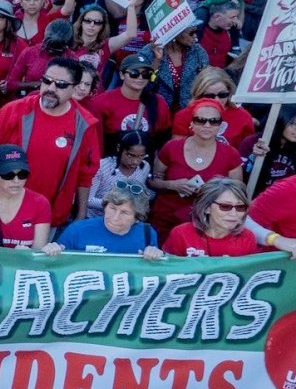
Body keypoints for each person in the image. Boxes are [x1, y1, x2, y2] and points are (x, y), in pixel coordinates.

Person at [0, 57, 101, 227]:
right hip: (0, 212)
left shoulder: (84, 124)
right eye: (47, 81)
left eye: (60, 84)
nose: (50, 88)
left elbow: (85, 175)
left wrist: (80, 216)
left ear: (75, 89)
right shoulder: (13, 111)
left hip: (48, 219)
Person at [148, 98, 245, 241]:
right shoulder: (172, 147)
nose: (207, 125)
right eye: (200, 120)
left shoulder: (231, 154)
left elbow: (237, 194)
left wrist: (211, 191)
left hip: (207, 225)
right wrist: (172, 185)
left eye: (213, 121)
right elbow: (153, 181)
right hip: (167, 220)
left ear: (220, 125)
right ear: (191, 123)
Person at [42, 188, 163, 259]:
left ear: (137, 219)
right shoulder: (78, 230)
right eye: (112, 208)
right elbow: (54, 266)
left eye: (125, 213)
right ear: (104, 206)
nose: (115, 218)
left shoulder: (147, 233)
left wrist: (156, 256)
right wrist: (50, 251)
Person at [84, 53, 171, 150]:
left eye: (146, 74)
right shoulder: (101, 102)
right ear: (121, 75)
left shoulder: (158, 102)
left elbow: (163, 138)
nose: (140, 78)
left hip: (145, 161)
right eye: (134, 73)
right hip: (111, 160)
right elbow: (93, 139)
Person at [162, 178, 260, 257]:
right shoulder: (181, 233)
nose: (234, 214)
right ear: (206, 208)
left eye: (240, 207)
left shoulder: (247, 237)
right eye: (225, 206)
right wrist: (154, 255)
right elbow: (167, 269)